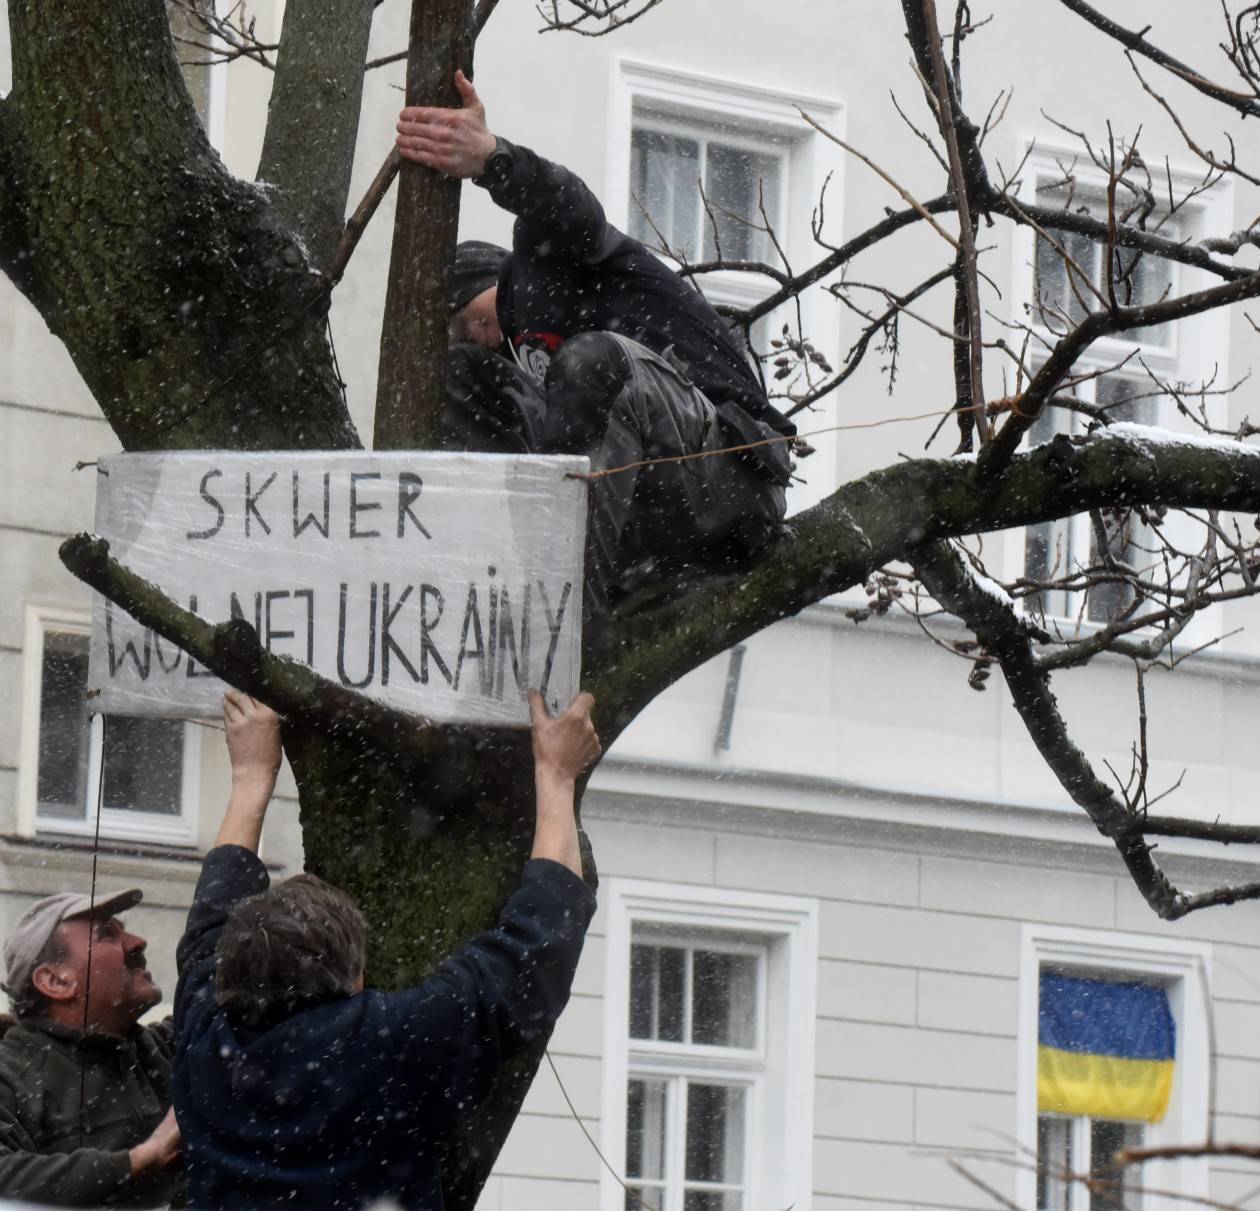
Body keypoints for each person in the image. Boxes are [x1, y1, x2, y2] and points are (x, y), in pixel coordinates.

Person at [172, 689, 601, 1211]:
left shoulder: (204, 1040)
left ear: (232, 971)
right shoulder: (389, 1044)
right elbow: (535, 948)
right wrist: (556, 779)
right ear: (355, 975)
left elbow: (210, 920)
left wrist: (250, 778)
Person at [398, 73, 794, 610]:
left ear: (497, 280)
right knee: (465, 382)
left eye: (468, 317)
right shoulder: (514, 373)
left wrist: (494, 160)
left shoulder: (545, 268)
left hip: (731, 476)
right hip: (651, 525)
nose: (473, 336)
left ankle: (557, 610)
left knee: (595, 362)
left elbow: (569, 208)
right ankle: (496, 587)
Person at [0, 888, 184, 1207]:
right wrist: (139, 1161)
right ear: (55, 981)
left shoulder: (163, 1049)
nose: (137, 942)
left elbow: (238, 989)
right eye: (107, 935)